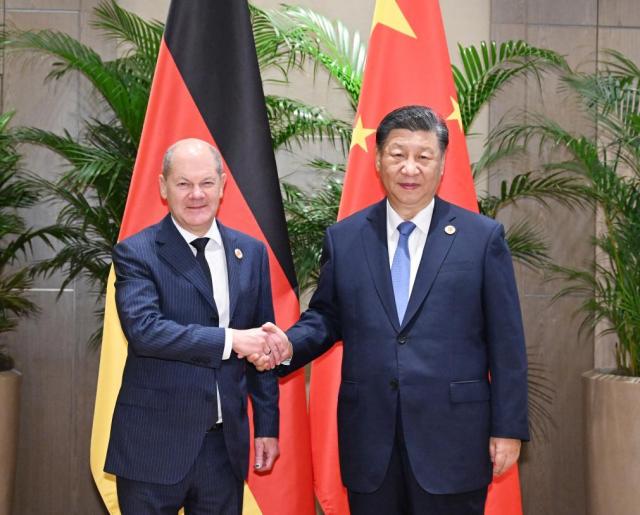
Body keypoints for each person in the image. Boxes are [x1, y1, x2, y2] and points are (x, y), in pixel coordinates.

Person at [257, 105, 529, 515]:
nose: (410, 168)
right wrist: (287, 346)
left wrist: (508, 430)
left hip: (453, 439)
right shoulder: (345, 238)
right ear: (379, 160)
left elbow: (507, 342)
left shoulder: (481, 238)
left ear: (441, 164)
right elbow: (327, 317)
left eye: (423, 157)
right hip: (371, 440)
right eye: (398, 154)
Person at [105, 138, 280, 515]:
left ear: (223, 185)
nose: (196, 194)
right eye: (183, 183)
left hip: (223, 449)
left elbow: (261, 345)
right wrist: (231, 340)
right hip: (152, 447)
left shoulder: (250, 253)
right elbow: (145, 331)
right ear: (163, 187)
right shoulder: (136, 252)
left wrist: (267, 425)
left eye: (206, 183)